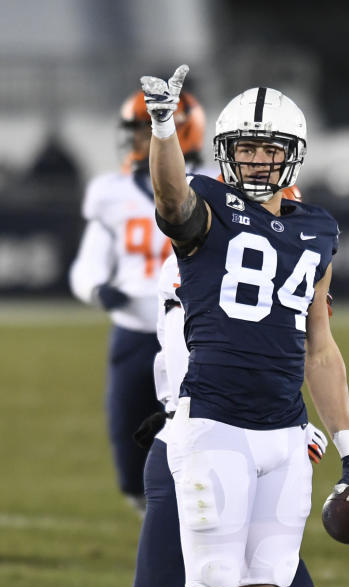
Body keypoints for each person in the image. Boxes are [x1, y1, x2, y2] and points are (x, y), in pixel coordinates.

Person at [140, 65, 349, 587]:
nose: (254, 160)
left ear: (292, 155)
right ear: (226, 153)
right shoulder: (208, 206)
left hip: (285, 435)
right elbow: (172, 198)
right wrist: (163, 130)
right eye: (244, 149)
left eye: (266, 149)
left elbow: (320, 350)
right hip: (216, 425)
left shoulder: (318, 230)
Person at [105, 197, 326, 587]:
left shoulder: (222, 261)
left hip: (233, 442)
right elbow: (208, 357)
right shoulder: (213, 266)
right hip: (208, 444)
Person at [69, 88, 206, 514]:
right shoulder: (112, 193)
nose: (135, 141)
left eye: (144, 132)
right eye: (134, 131)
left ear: (181, 132)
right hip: (133, 332)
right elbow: (86, 266)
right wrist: (96, 288)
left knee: (201, 445)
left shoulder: (212, 187)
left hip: (195, 335)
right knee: (131, 465)